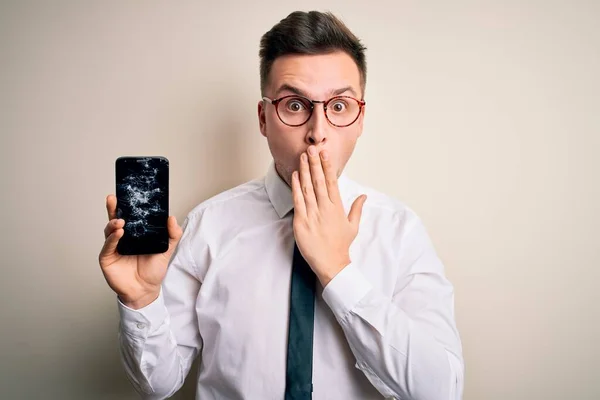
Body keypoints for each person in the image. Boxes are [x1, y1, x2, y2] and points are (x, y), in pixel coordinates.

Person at [99, 10, 464, 400]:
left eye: (338, 107)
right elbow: (159, 384)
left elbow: (440, 391)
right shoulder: (208, 226)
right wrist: (140, 300)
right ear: (263, 117)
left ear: (360, 120)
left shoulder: (400, 231)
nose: (317, 133)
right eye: (294, 105)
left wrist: (338, 271)